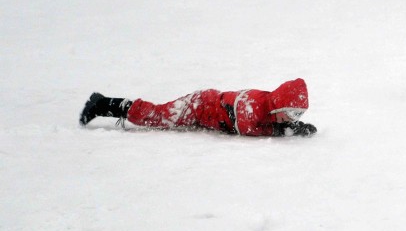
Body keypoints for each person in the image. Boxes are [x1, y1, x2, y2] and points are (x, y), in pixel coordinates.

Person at [79, 78, 317, 137]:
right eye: (292, 112)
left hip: (207, 109)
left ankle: (103, 103)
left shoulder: (272, 107)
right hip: (199, 106)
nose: (294, 118)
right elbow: (249, 129)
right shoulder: (253, 107)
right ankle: (102, 104)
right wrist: (285, 131)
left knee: (157, 117)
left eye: (299, 114)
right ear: (279, 105)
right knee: (156, 117)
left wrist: (292, 126)